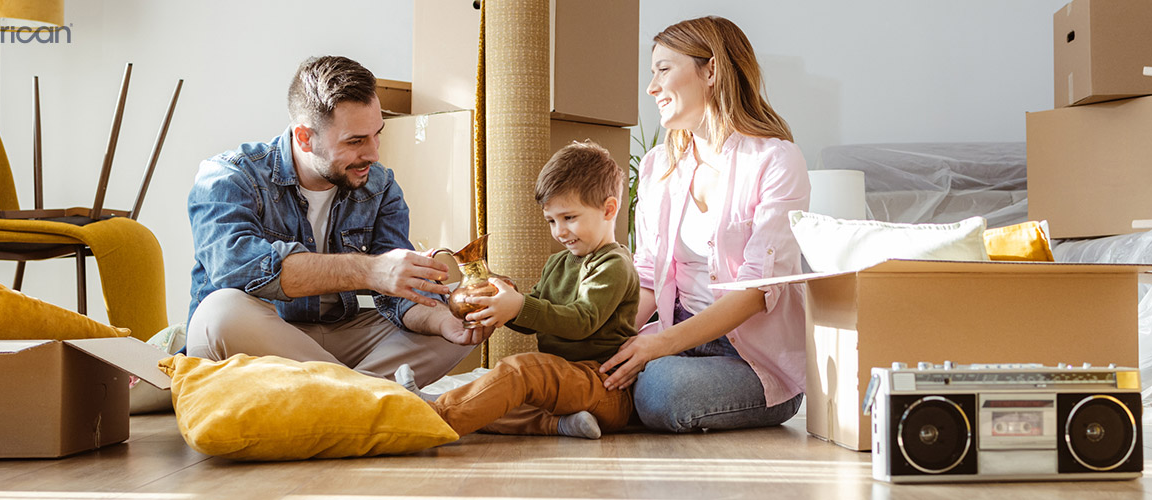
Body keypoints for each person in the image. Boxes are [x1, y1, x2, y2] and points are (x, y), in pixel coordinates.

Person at [185, 56, 487, 387]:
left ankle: (342, 397)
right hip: (263, 340)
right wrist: (371, 271)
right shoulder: (230, 176)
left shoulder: (380, 186)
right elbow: (235, 267)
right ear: (304, 138)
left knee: (464, 305)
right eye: (356, 141)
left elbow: (400, 296)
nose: (373, 153)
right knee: (220, 312)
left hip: (339, 336)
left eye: (377, 135)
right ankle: (366, 395)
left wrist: (446, 320)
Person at [599, 16, 810, 432]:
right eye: (652, 73)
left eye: (663, 69)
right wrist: (609, 344)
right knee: (592, 366)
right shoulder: (659, 165)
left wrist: (658, 346)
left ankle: (610, 402)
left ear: (710, 70)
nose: (651, 87)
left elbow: (755, 291)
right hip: (673, 337)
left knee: (662, 389)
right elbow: (646, 274)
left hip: (747, 361)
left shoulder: (777, 160)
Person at [398, 141, 638, 440]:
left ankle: (433, 416)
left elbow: (581, 320)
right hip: (565, 382)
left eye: (569, 218)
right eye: (551, 221)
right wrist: (501, 307)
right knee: (494, 397)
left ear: (608, 209)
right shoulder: (558, 263)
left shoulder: (614, 264)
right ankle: (562, 425)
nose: (559, 231)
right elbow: (535, 311)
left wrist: (519, 306)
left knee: (519, 372)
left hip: (604, 385)